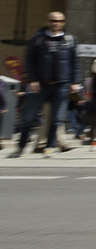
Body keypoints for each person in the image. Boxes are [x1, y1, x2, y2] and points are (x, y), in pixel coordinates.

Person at [16, 11, 77, 156]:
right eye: (52, 20)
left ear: (64, 22)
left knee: (57, 119)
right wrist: (33, 79)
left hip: (61, 85)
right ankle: (21, 147)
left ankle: (49, 147)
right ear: (47, 22)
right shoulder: (37, 39)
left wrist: (74, 82)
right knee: (28, 117)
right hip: (40, 85)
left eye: (60, 21)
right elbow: (29, 61)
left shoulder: (70, 39)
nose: (56, 23)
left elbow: (75, 63)